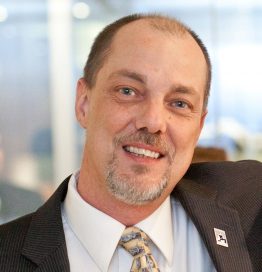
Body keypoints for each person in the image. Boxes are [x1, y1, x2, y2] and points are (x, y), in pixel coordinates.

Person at [0, 13, 261, 272]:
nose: (153, 121)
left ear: (199, 126)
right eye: (128, 91)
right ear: (83, 104)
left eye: (179, 103)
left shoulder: (250, 204)